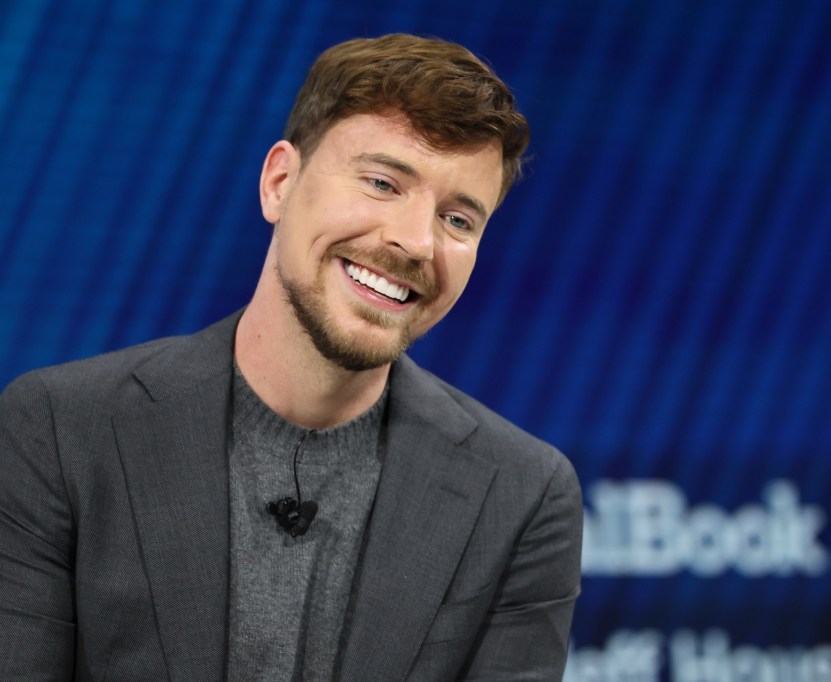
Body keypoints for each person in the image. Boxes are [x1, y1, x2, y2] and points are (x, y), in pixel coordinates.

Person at [0, 34, 582, 681]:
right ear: (280, 182)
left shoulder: (523, 494)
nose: (416, 241)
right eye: (384, 182)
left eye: (458, 221)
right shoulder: (59, 429)